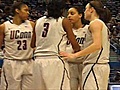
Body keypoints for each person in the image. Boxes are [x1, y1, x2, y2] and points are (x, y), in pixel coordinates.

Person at [60, 0, 111, 90]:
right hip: (100, 66)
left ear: (91, 10)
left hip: (94, 65)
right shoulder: (100, 24)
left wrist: (74, 55)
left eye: (85, 9)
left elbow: (97, 45)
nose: (84, 12)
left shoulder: (95, 23)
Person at [30, 0, 80, 90]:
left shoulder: (38, 21)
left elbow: (32, 44)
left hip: (38, 62)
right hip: (55, 60)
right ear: (61, 10)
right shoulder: (63, 21)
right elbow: (75, 45)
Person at [0, 2, 35, 90]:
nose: (28, 13)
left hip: (29, 61)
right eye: (25, 10)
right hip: (12, 62)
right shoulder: (4, 26)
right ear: (17, 11)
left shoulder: (31, 25)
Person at [66, 5, 89, 90]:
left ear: (80, 15)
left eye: (72, 13)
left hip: (84, 64)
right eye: (68, 14)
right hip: (69, 65)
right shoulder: (65, 30)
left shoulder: (88, 29)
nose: (69, 16)